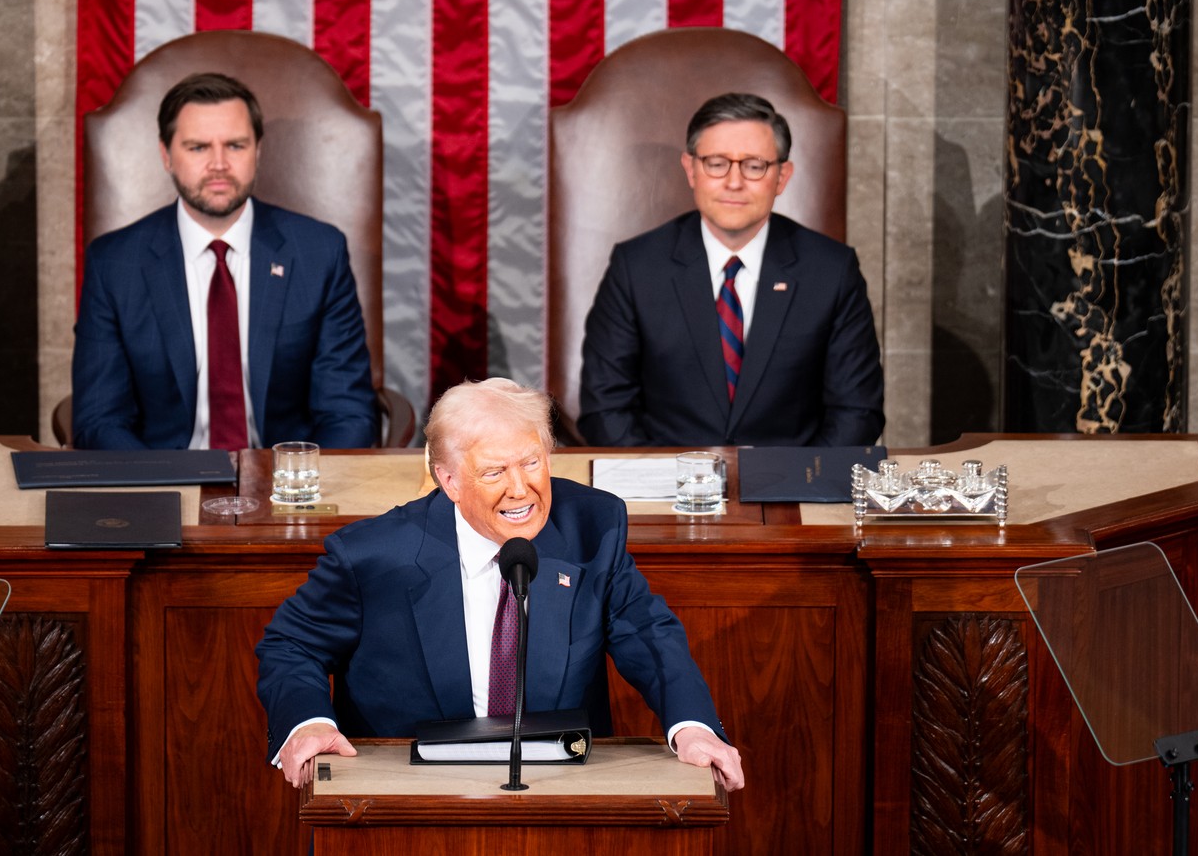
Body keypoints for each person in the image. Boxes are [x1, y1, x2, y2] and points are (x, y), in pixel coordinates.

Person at [255, 378, 744, 791]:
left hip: (558, 790)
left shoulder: (592, 528)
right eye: (494, 472)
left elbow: (649, 634)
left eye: (531, 462)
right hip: (409, 793)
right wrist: (308, 723)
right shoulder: (374, 554)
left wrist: (693, 725)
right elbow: (291, 645)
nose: (520, 489)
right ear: (449, 481)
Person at [71, 72, 376, 450]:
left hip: (288, 479)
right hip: (162, 477)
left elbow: (348, 413)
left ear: (257, 151)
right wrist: (159, 481)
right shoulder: (115, 264)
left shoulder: (318, 253)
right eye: (198, 147)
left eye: (235, 145)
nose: (219, 164)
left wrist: (300, 481)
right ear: (166, 156)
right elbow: (100, 420)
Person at [579, 92, 884, 447]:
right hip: (665, 477)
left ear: (782, 176)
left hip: (793, 478)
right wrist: (664, 477)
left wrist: (799, 477)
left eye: (754, 166)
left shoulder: (831, 271)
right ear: (691, 169)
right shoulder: (636, 267)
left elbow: (857, 411)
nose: (734, 182)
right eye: (716, 163)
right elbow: (605, 408)